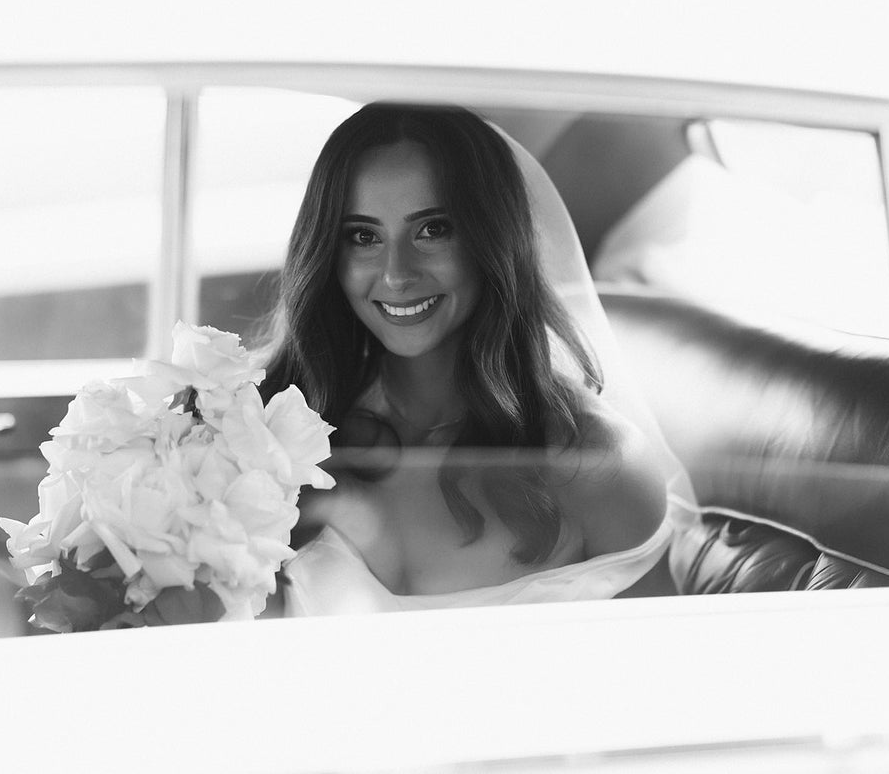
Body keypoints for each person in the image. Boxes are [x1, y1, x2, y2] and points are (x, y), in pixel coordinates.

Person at [258, 103, 695, 615]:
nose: (397, 274)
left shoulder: (597, 469)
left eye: (433, 230)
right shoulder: (261, 431)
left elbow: (662, 677)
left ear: (493, 238)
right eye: (364, 236)